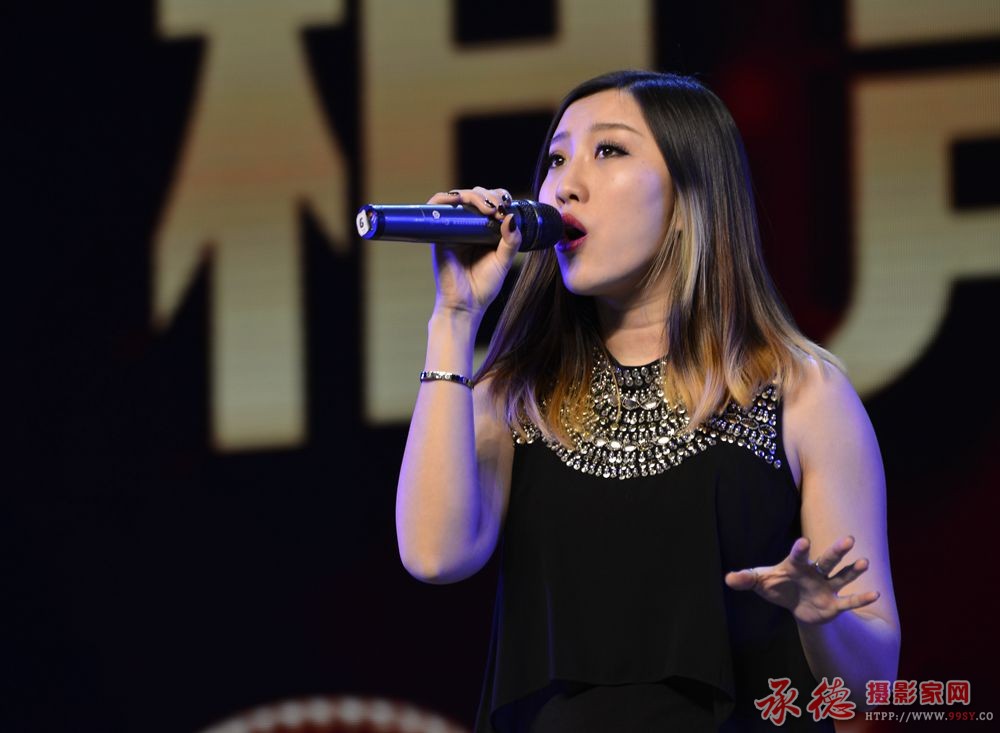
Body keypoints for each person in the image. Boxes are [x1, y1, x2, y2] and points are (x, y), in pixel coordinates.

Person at [395, 70, 900, 732]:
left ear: (690, 196)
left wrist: (823, 620)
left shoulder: (799, 391)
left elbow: (873, 683)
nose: (563, 186)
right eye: (556, 159)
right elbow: (435, 556)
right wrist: (454, 318)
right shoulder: (518, 393)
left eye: (608, 150)